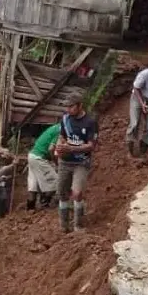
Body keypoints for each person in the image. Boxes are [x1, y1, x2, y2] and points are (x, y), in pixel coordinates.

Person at [56, 93, 98, 232]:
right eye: (67, 107)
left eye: (71, 106)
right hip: (65, 161)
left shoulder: (90, 122)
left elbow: (91, 145)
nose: (68, 110)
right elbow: (62, 136)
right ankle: (64, 225)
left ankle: (78, 225)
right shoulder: (65, 119)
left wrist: (71, 148)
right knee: (62, 193)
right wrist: (60, 145)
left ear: (80, 105)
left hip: (81, 162)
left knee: (77, 193)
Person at [26, 123, 60, 210]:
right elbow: (51, 149)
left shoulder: (54, 127)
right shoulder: (60, 130)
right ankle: (44, 203)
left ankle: (30, 208)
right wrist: (56, 163)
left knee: (34, 184)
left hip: (32, 155)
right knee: (56, 181)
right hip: (39, 158)